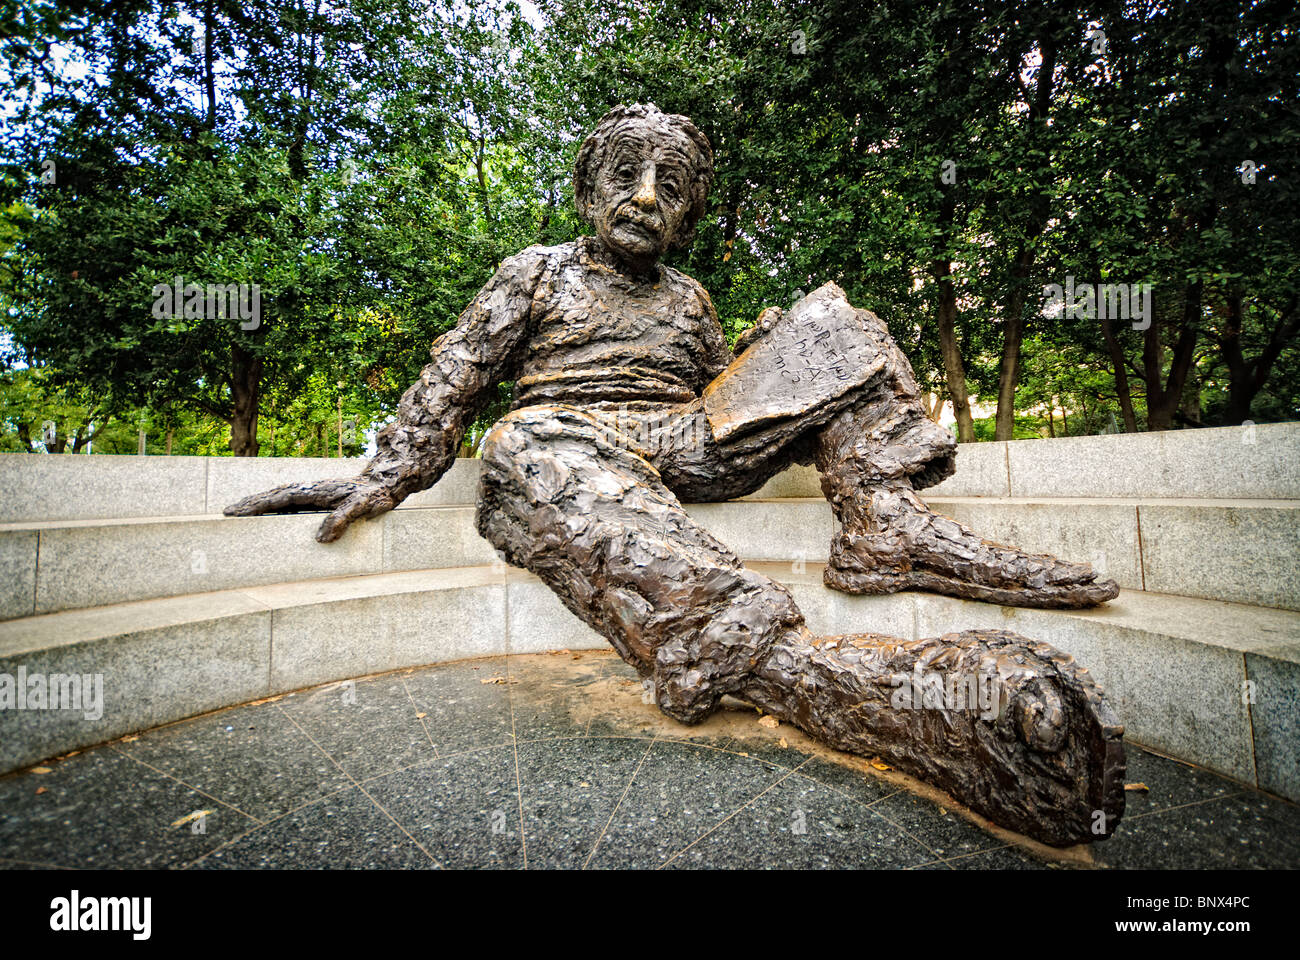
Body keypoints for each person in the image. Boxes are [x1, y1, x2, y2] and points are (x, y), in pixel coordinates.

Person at [227, 104, 1125, 845]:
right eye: (626, 174)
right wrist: (385, 471)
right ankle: (801, 673)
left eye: (672, 188)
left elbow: (720, 398)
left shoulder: (690, 299)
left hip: (686, 437)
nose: (646, 197)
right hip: (571, 434)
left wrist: (768, 353)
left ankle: (881, 521)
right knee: (517, 447)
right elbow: (454, 378)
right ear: (588, 190)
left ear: (689, 213)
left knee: (829, 328)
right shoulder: (534, 272)